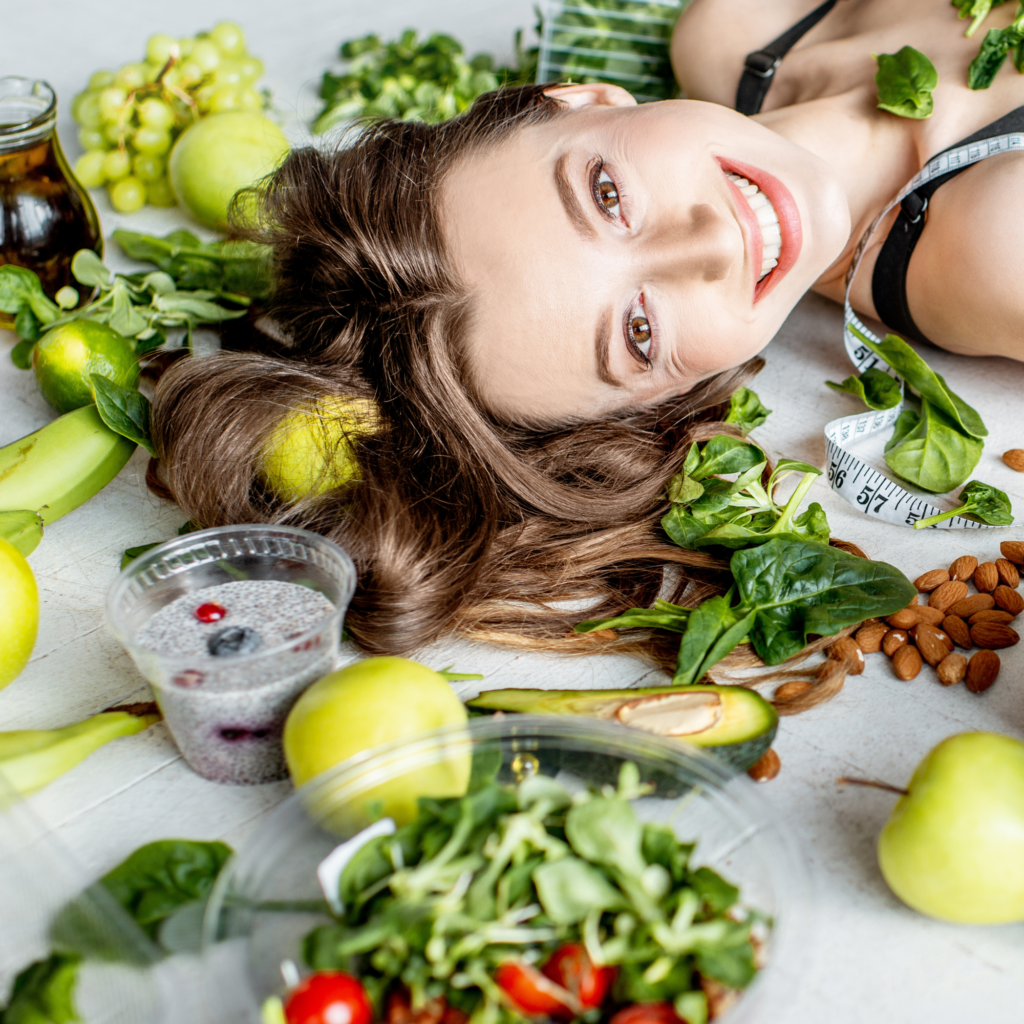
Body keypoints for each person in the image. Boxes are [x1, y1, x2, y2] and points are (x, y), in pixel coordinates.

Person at [150, 0, 1024, 672]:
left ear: (582, 99)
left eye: (607, 196)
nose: (713, 242)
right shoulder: (994, 246)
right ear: (668, 395)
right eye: (639, 332)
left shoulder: (727, 28)